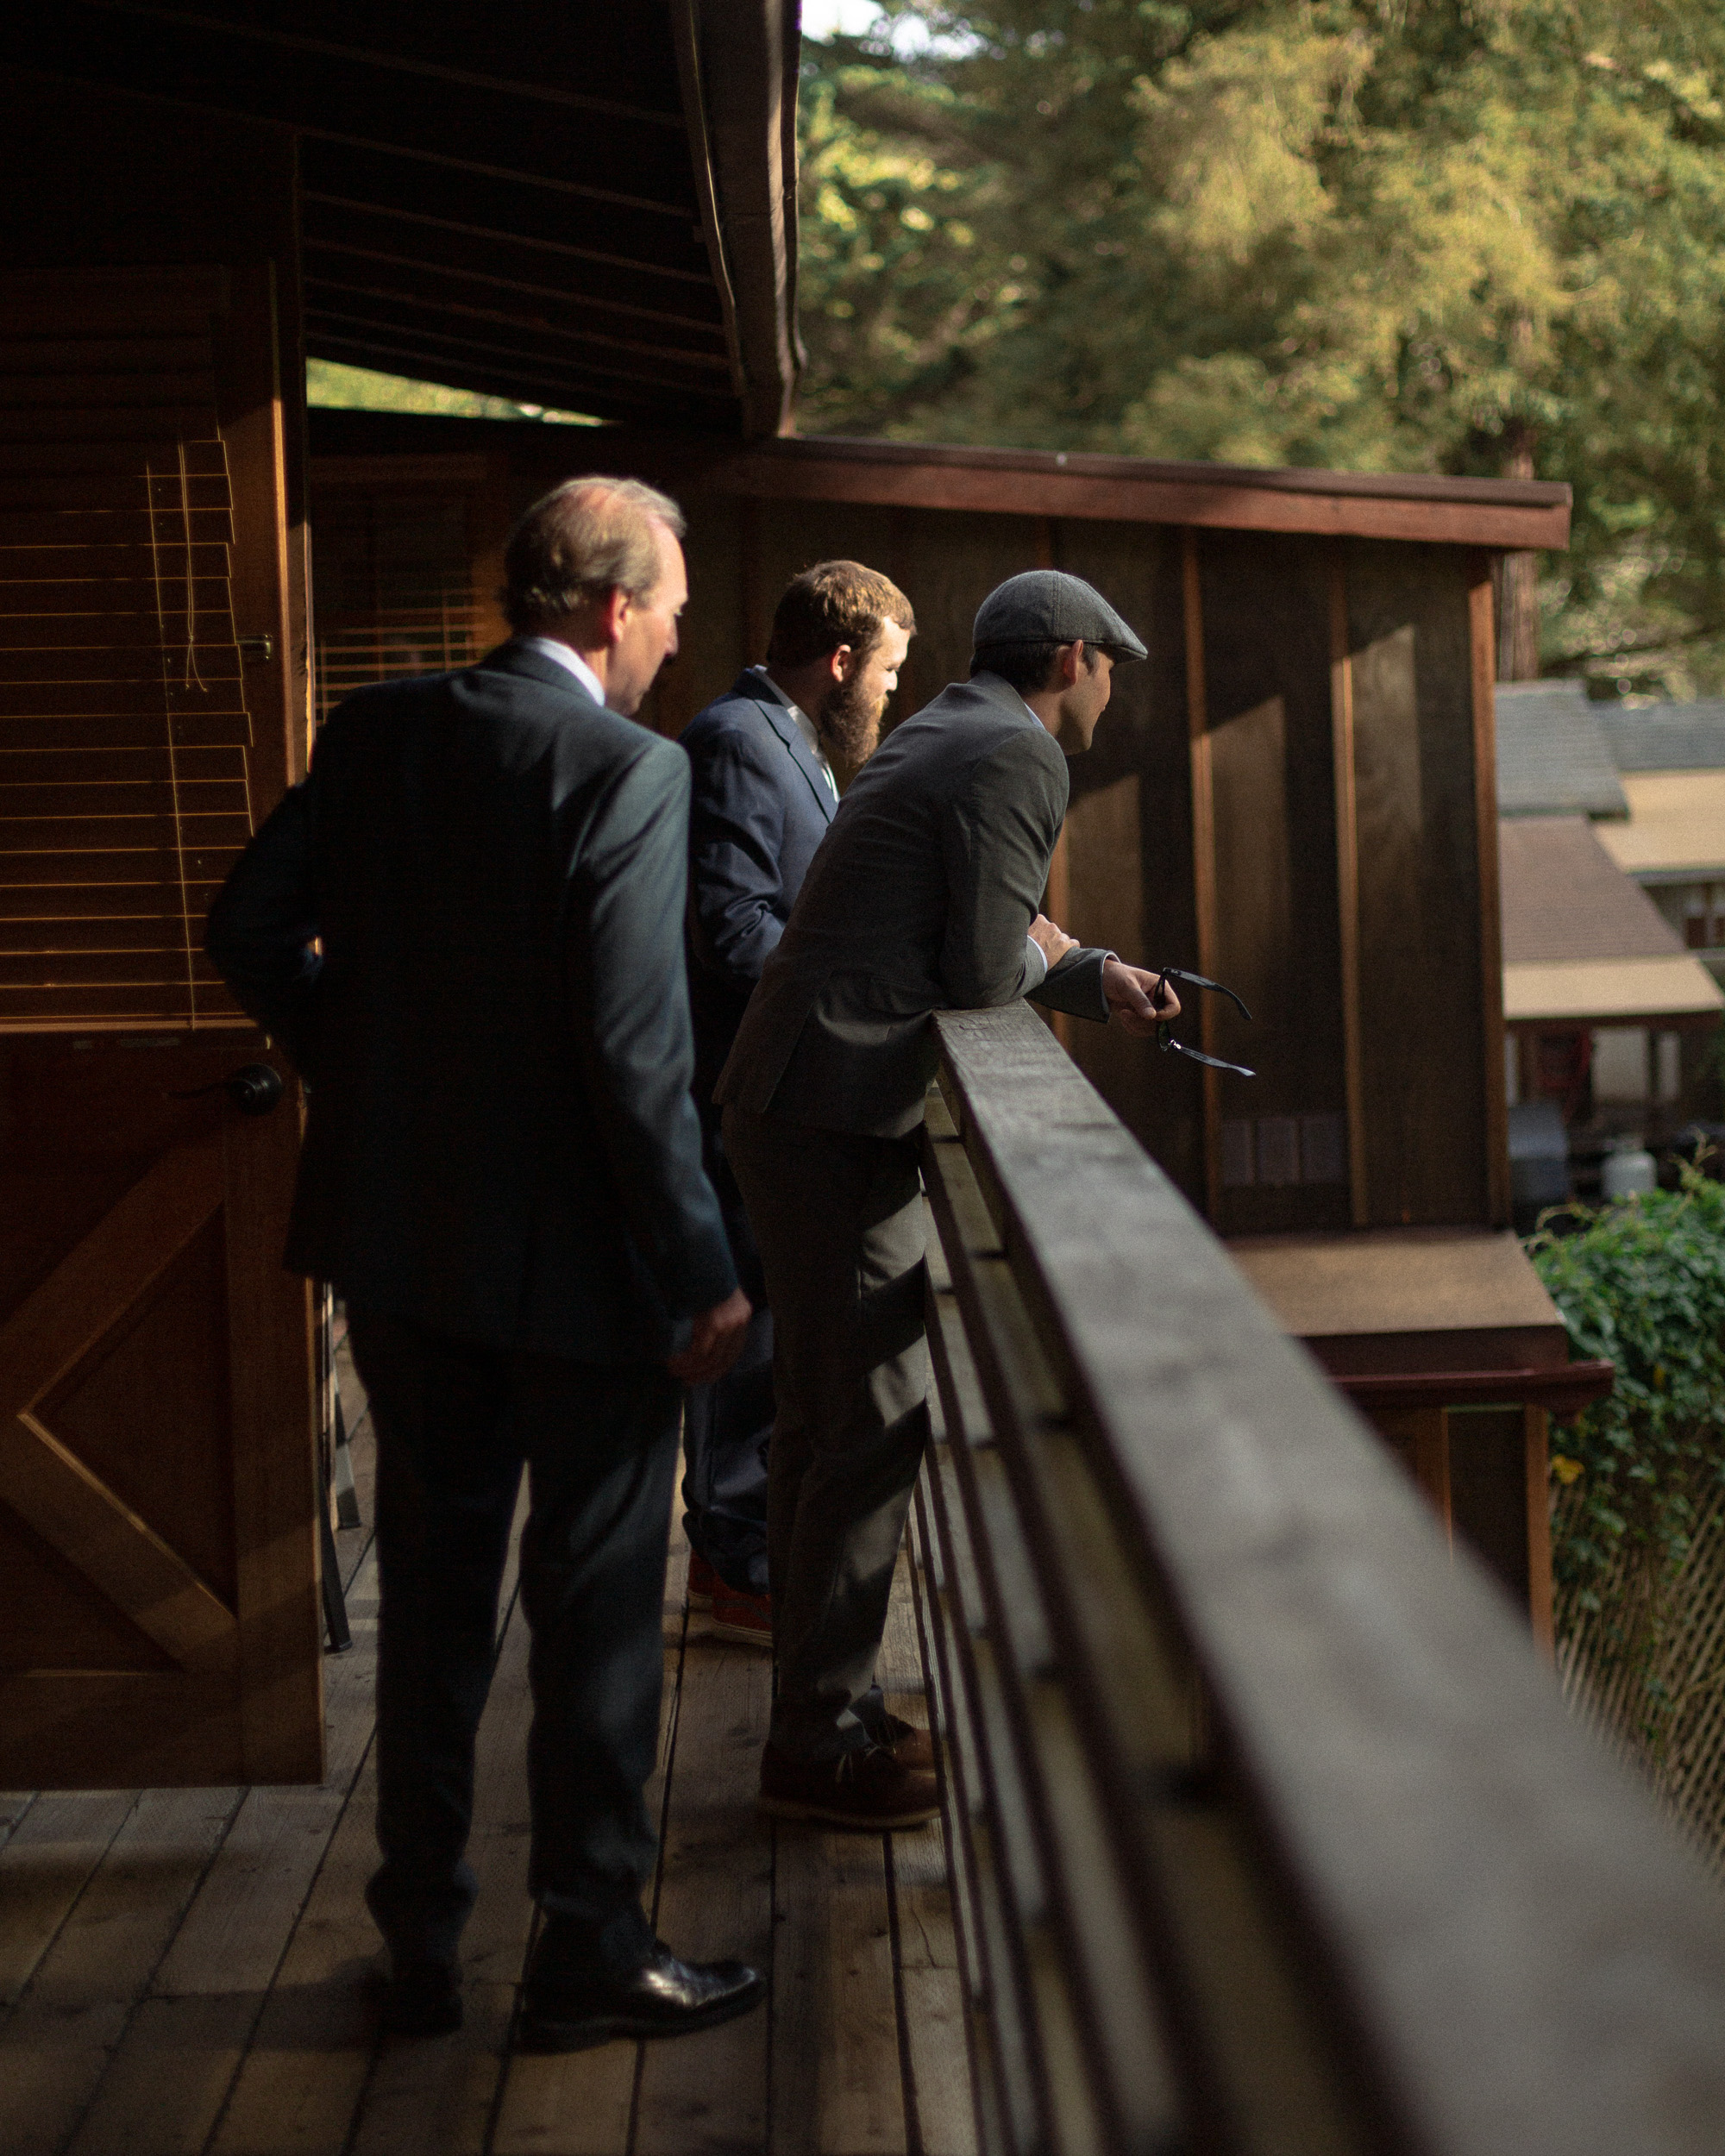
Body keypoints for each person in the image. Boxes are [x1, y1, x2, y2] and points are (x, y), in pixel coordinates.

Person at [205, 476, 766, 2053]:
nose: (668, 642)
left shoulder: (380, 732)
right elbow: (635, 1052)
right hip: (586, 1270)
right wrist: (703, 1269)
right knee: (593, 1614)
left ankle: (423, 1948)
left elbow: (248, 926)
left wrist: (363, 1069)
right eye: (662, 613)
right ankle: (586, 1950)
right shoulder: (627, 773)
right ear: (608, 609)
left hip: (400, 1248)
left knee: (436, 1605)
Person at [716, 569, 1179, 1830]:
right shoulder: (1019, 757)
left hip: (795, 1095)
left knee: (824, 1423)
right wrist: (1045, 955)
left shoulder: (941, 727)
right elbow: (979, 965)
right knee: (865, 1424)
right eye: (1111, 667)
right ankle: (818, 1743)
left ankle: (830, 1711)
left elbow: (975, 932)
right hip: (834, 1112)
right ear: (1075, 659)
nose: (1110, 689)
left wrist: (1089, 973)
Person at [681, 561, 916, 1649]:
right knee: (749, 1334)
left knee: (774, 1332)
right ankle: (732, 1564)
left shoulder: (797, 744)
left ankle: (749, 1554)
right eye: (886, 672)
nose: (890, 695)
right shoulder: (736, 738)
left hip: (781, 1083)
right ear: (837, 661)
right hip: (746, 1081)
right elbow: (730, 928)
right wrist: (853, 994)